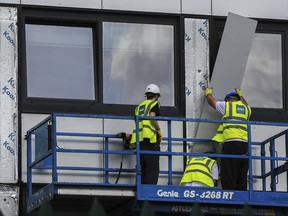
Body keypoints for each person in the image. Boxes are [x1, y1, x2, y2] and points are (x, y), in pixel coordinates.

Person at [205, 87, 251, 190]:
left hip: (231, 143)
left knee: (228, 171)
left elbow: (212, 102)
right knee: (241, 172)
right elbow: (245, 104)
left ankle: (230, 194)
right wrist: (241, 95)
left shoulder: (227, 106)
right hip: (245, 145)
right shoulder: (247, 109)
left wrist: (208, 93)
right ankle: (241, 196)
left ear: (229, 99)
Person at [130, 84, 162, 184]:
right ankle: (150, 190)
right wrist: (158, 129)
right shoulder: (154, 104)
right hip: (150, 139)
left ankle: (140, 187)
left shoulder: (139, 107)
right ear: (156, 96)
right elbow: (152, 117)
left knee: (141, 167)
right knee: (152, 167)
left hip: (139, 140)